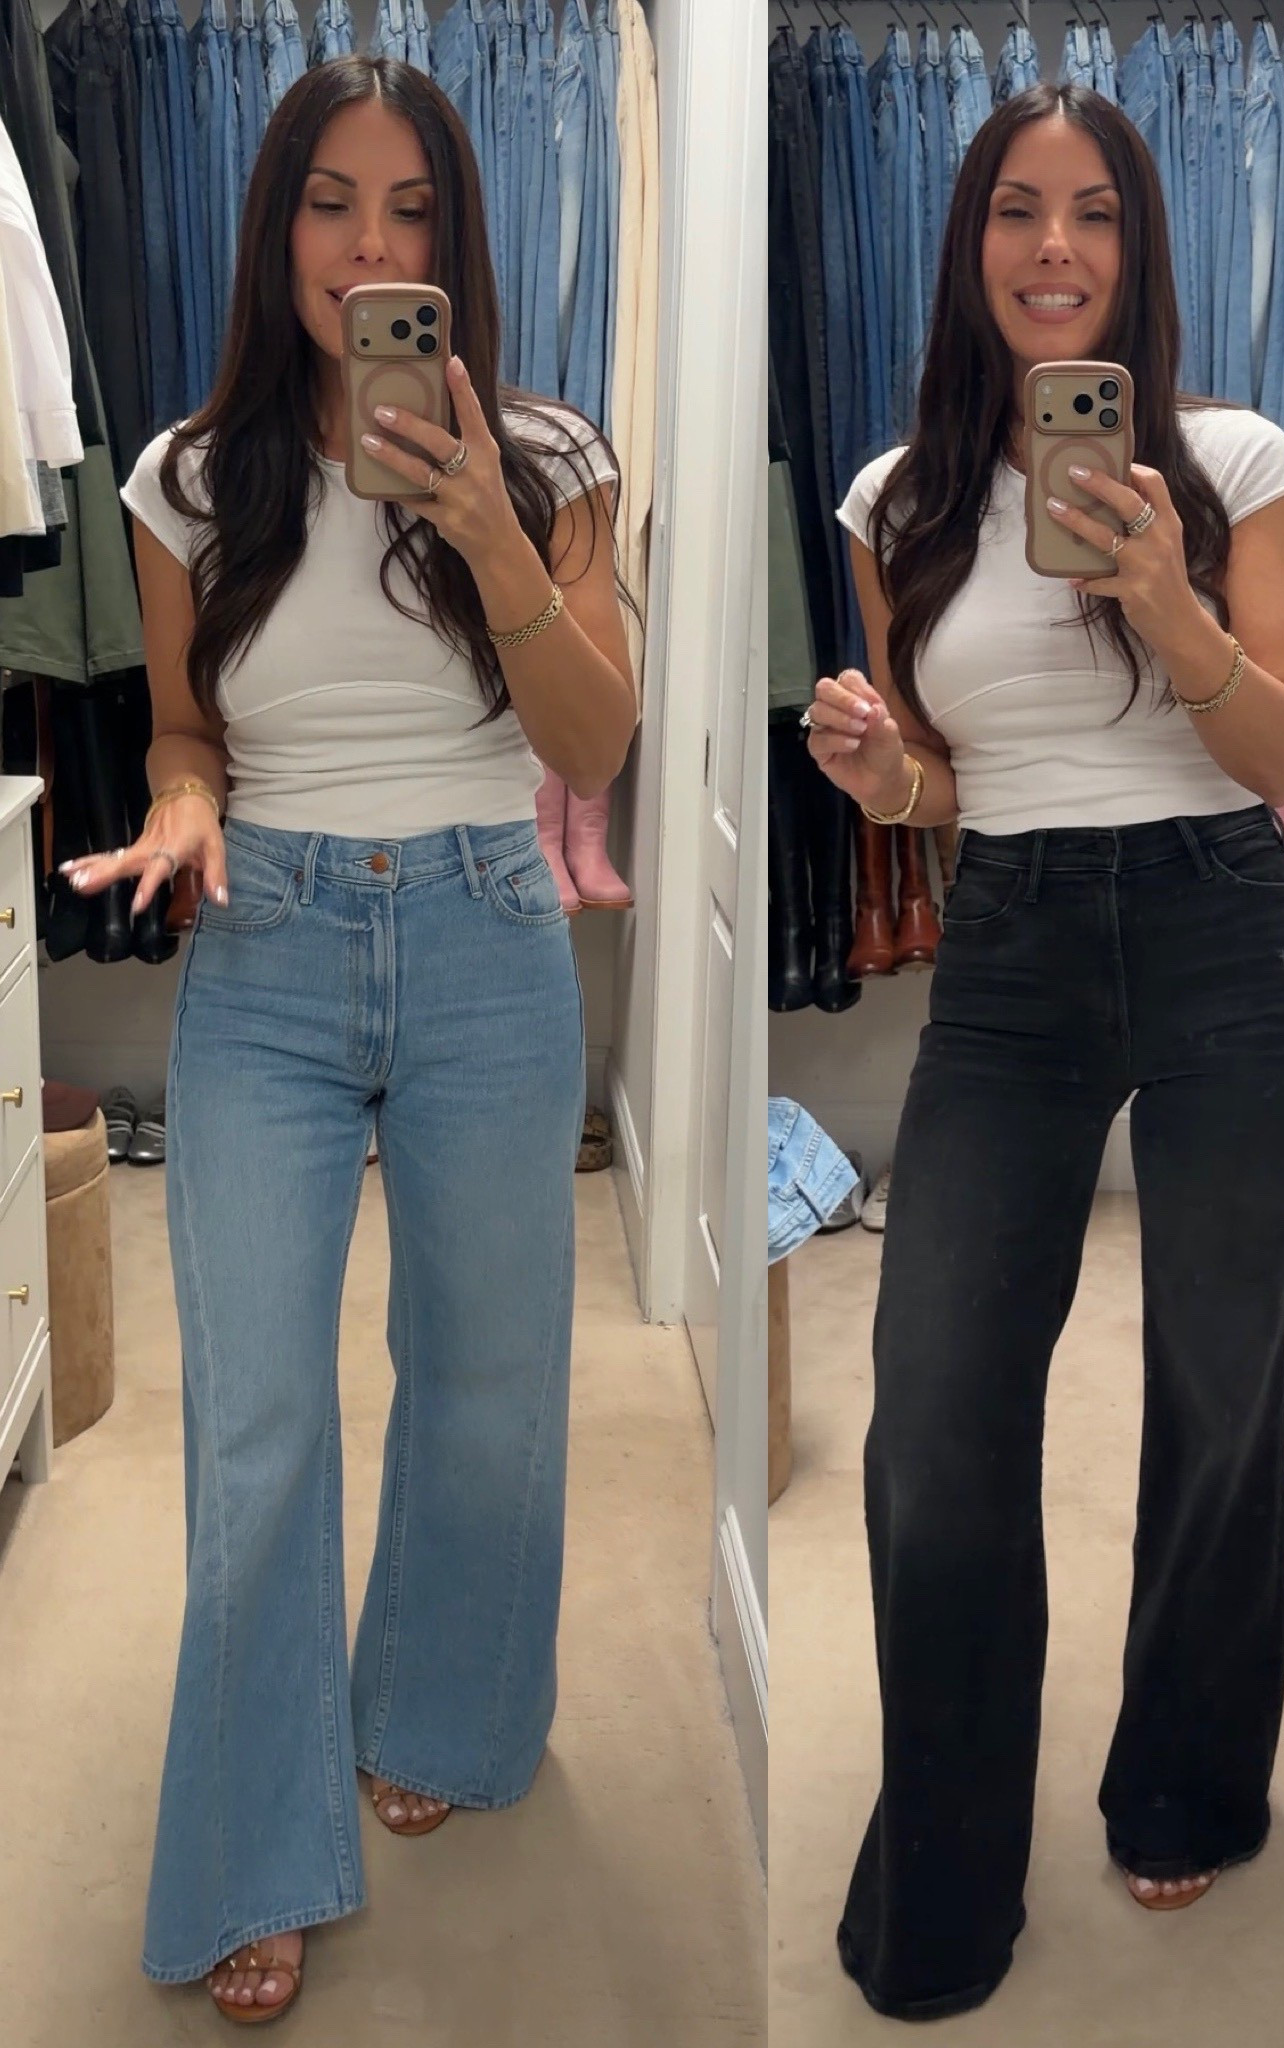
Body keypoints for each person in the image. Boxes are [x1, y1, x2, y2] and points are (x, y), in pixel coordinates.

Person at [63, 56, 636, 2024]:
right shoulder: (185, 476)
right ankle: (249, 1844)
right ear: (275, 226)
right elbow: (185, 726)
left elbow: (596, 742)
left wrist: (489, 528)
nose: (368, 244)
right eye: (331, 201)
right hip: (270, 949)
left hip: (487, 934)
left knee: (486, 1377)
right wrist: (187, 800)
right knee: (257, 1419)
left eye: (409, 208)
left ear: (455, 241)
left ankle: (445, 1704)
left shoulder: (550, 454)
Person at [802, 84, 1284, 2022]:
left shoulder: (1236, 457)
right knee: (937, 1414)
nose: (1055, 247)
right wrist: (887, 775)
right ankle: (946, 1873)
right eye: (1018, 211)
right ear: (969, 246)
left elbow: (1281, 754)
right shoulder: (896, 502)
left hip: (1230, 939)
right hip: (1015, 954)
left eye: (1095, 211)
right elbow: (956, 784)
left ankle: (1184, 1774)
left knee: (1220, 1387)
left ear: (1142, 244)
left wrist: (1169, 603)